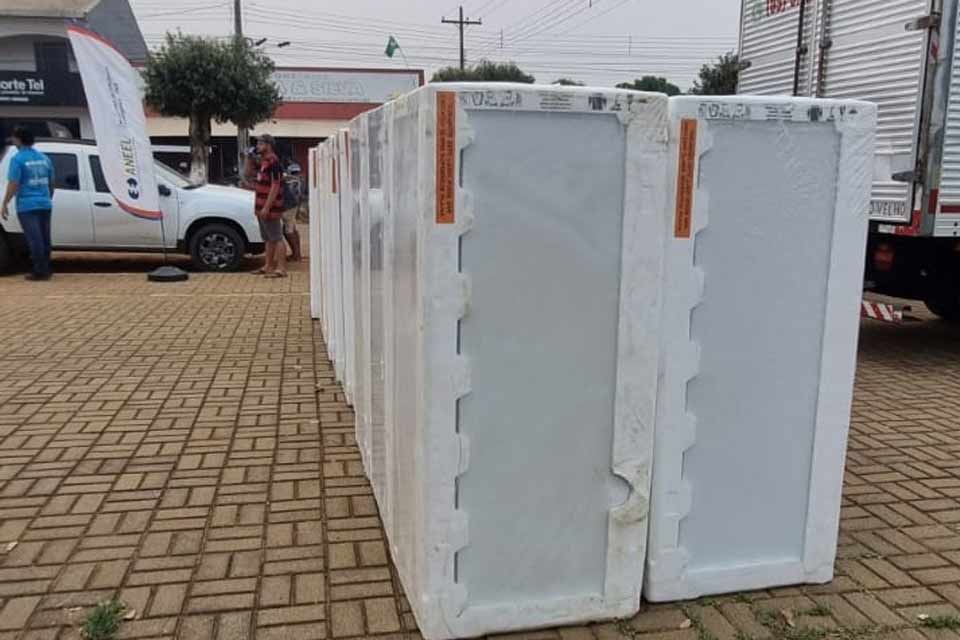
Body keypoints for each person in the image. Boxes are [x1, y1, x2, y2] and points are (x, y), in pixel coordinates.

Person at [1, 126, 56, 281]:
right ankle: (47, 268)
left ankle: (39, 271)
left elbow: (14, 183)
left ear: (19, 140)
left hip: (27, 205)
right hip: (45, 203)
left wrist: (5, 202)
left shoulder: (17, 159)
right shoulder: (44, 158)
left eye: (14, 137)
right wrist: (48, 197)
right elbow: (52, 182)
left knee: (34, 239)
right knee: (45, 238)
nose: (12, 140)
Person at [250, 134, 287, 278]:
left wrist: (267, 206)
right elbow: (249, 174)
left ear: (268, 145)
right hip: (261, 205)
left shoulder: (274, 162)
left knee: (277, 237)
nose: (257, 146)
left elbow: (275, 185)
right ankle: (268, 266)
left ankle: (281, 268)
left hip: (270, 207)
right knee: (268, 238)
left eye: (260, 144)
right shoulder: (264, 162)